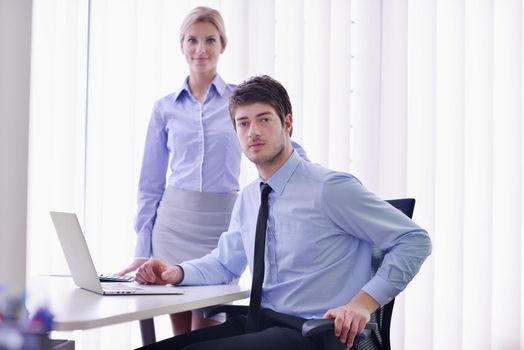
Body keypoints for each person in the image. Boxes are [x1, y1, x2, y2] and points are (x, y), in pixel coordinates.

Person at [134, 75, 432, 350]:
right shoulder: (250, 197)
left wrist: (362, 305)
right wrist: (176, 272)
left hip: (313, 332)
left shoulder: (328, 188)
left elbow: (415, 240)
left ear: (287, 123)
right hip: (260, 325)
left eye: (264, 119)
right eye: (243, 123)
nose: (254, 132)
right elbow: (225, 263)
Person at [117, 7, 308, 335]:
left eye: (210, 40)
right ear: (181, 45)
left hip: (220, 223)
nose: (201, 49)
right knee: (180, 332)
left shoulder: (240, 100)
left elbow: (277, 140)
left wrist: (307, 172)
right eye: (192, 40)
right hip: (173, 223)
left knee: (206, 326)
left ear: (223, 45)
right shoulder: (165, 108)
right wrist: (142, 247)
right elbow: (150, 183)